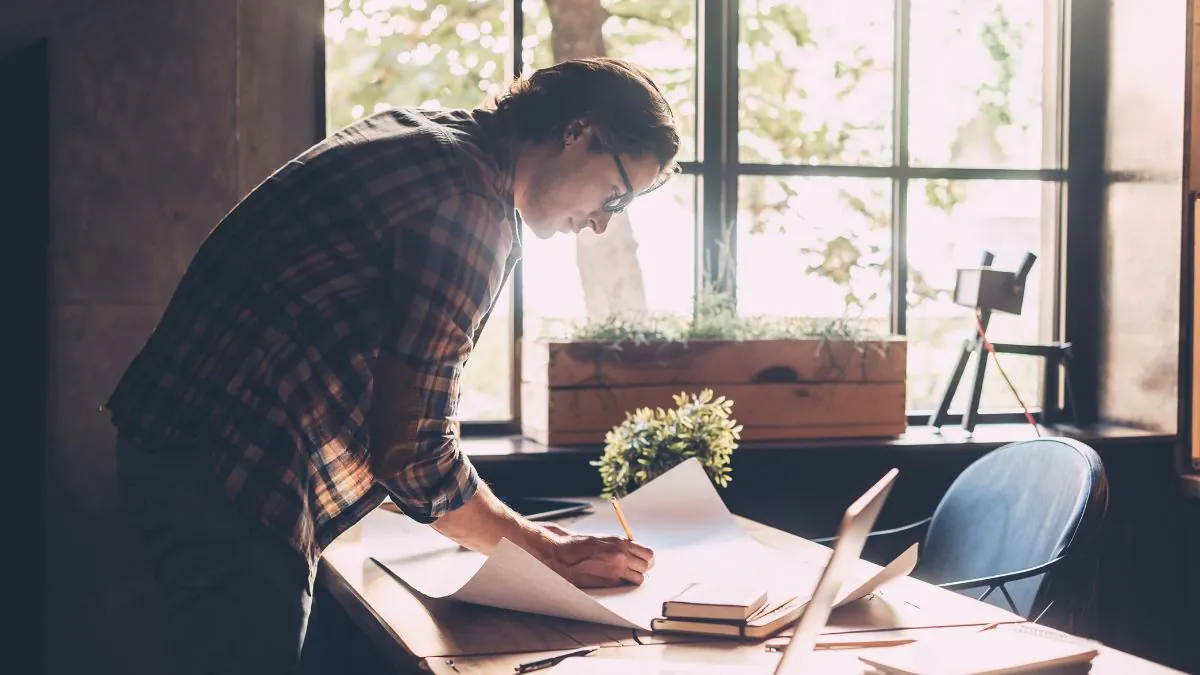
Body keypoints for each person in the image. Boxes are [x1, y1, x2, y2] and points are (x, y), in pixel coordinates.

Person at [108, 56, 681, 674]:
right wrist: (549, 553)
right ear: (578, 131)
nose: (602, 223)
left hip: (179, 434)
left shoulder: (428, 136)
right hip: (232, 467)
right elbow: (412, 454)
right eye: (616, 194)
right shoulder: (468, 200)